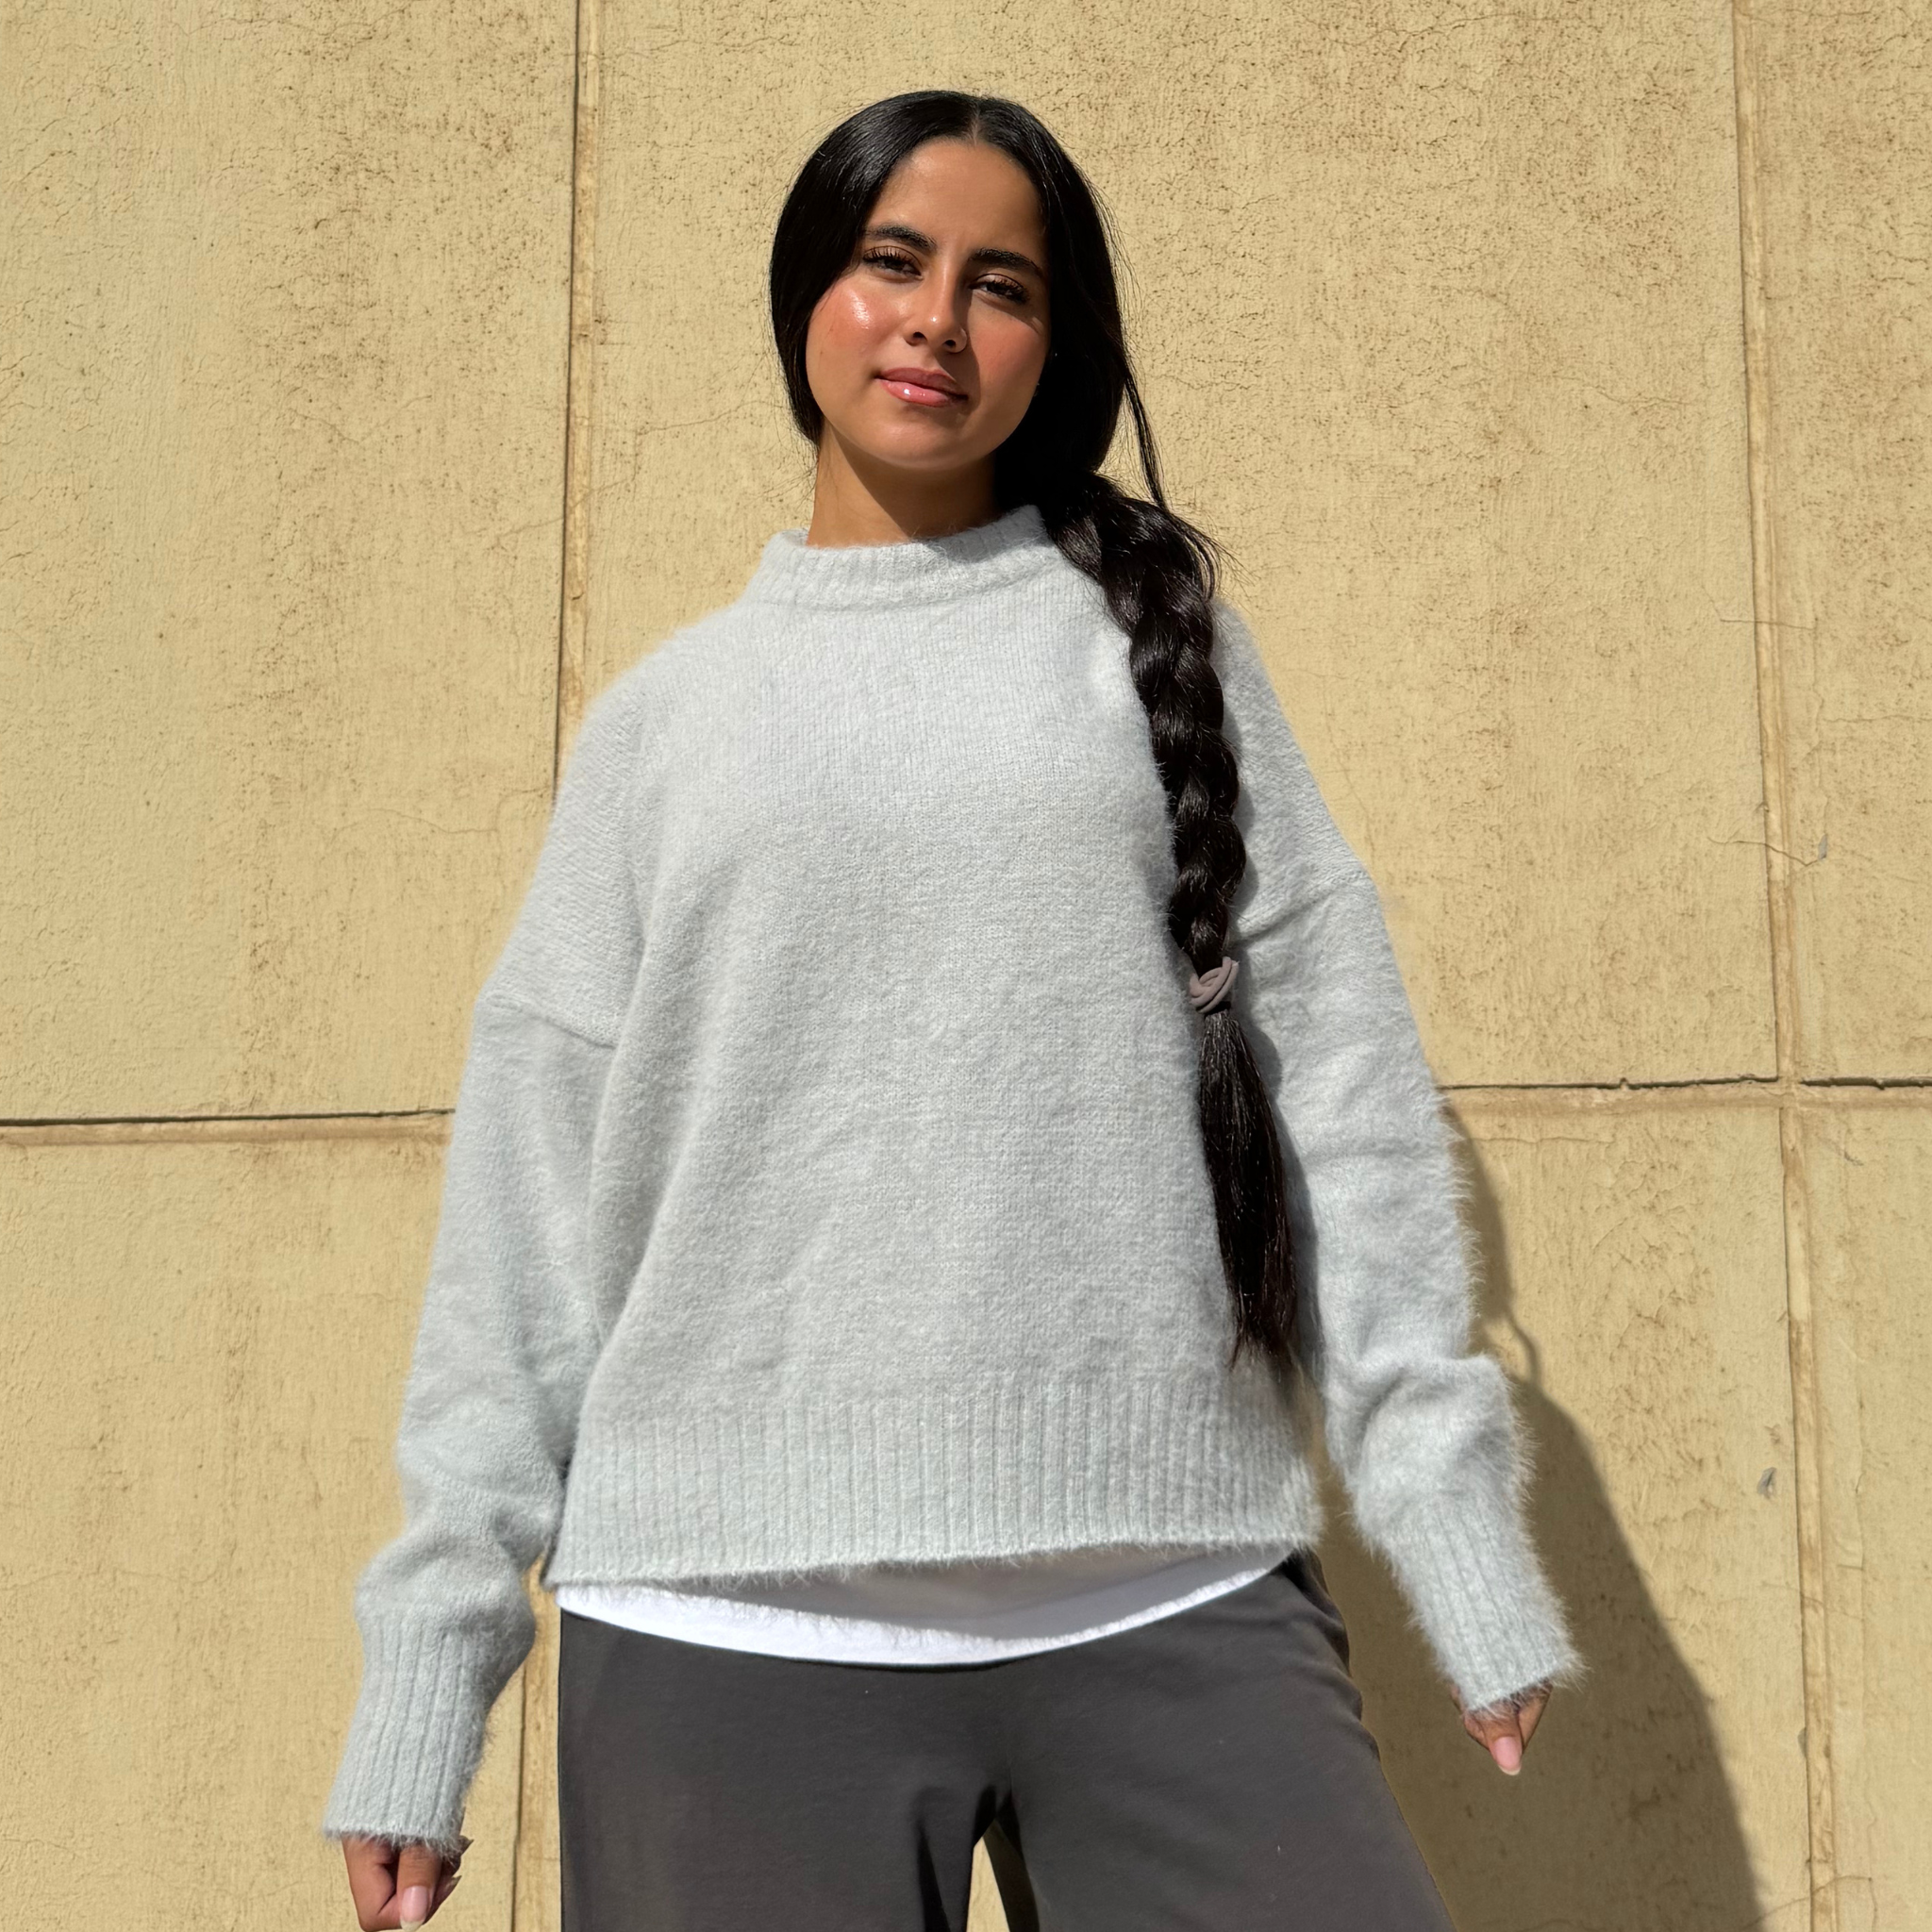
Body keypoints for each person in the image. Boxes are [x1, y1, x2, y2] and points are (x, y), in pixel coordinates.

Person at [324, 89, 1584, 1932]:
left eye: (1001, 286)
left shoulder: (1166, 666)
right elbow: (523, 1218)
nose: (933, 320)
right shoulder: (662, 733)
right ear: (806, 297)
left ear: (1051, 349)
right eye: (890, 262)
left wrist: (1450, 1522)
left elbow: (1346, 1100)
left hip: (1169, 1593)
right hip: (718, 1632)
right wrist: (428, 1675)